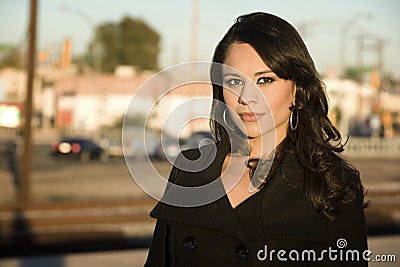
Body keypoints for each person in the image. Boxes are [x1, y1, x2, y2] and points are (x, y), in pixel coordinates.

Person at [144, 12, 368, 266]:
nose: (246, 97)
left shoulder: (333, 185)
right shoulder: (190, 170)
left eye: (264, 80)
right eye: (234, 81)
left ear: (297, 90)